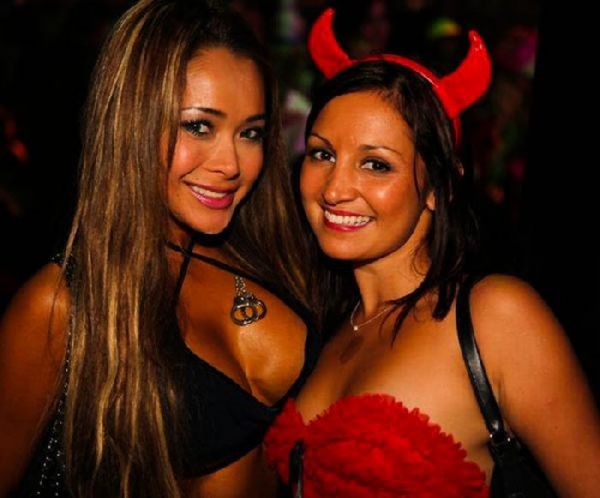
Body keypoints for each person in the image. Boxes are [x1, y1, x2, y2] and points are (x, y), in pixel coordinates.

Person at [264, 8, 600, 498]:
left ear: (439, 187)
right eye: (322, 154)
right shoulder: (319, 321)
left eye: (376, 164)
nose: (334, 188)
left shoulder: (496, 317)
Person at [0, 1, 318, 497]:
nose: (231, 164)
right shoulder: (59, 307)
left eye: (250, 133)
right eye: (198, 126)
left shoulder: (274, 252)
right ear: (132, 123)